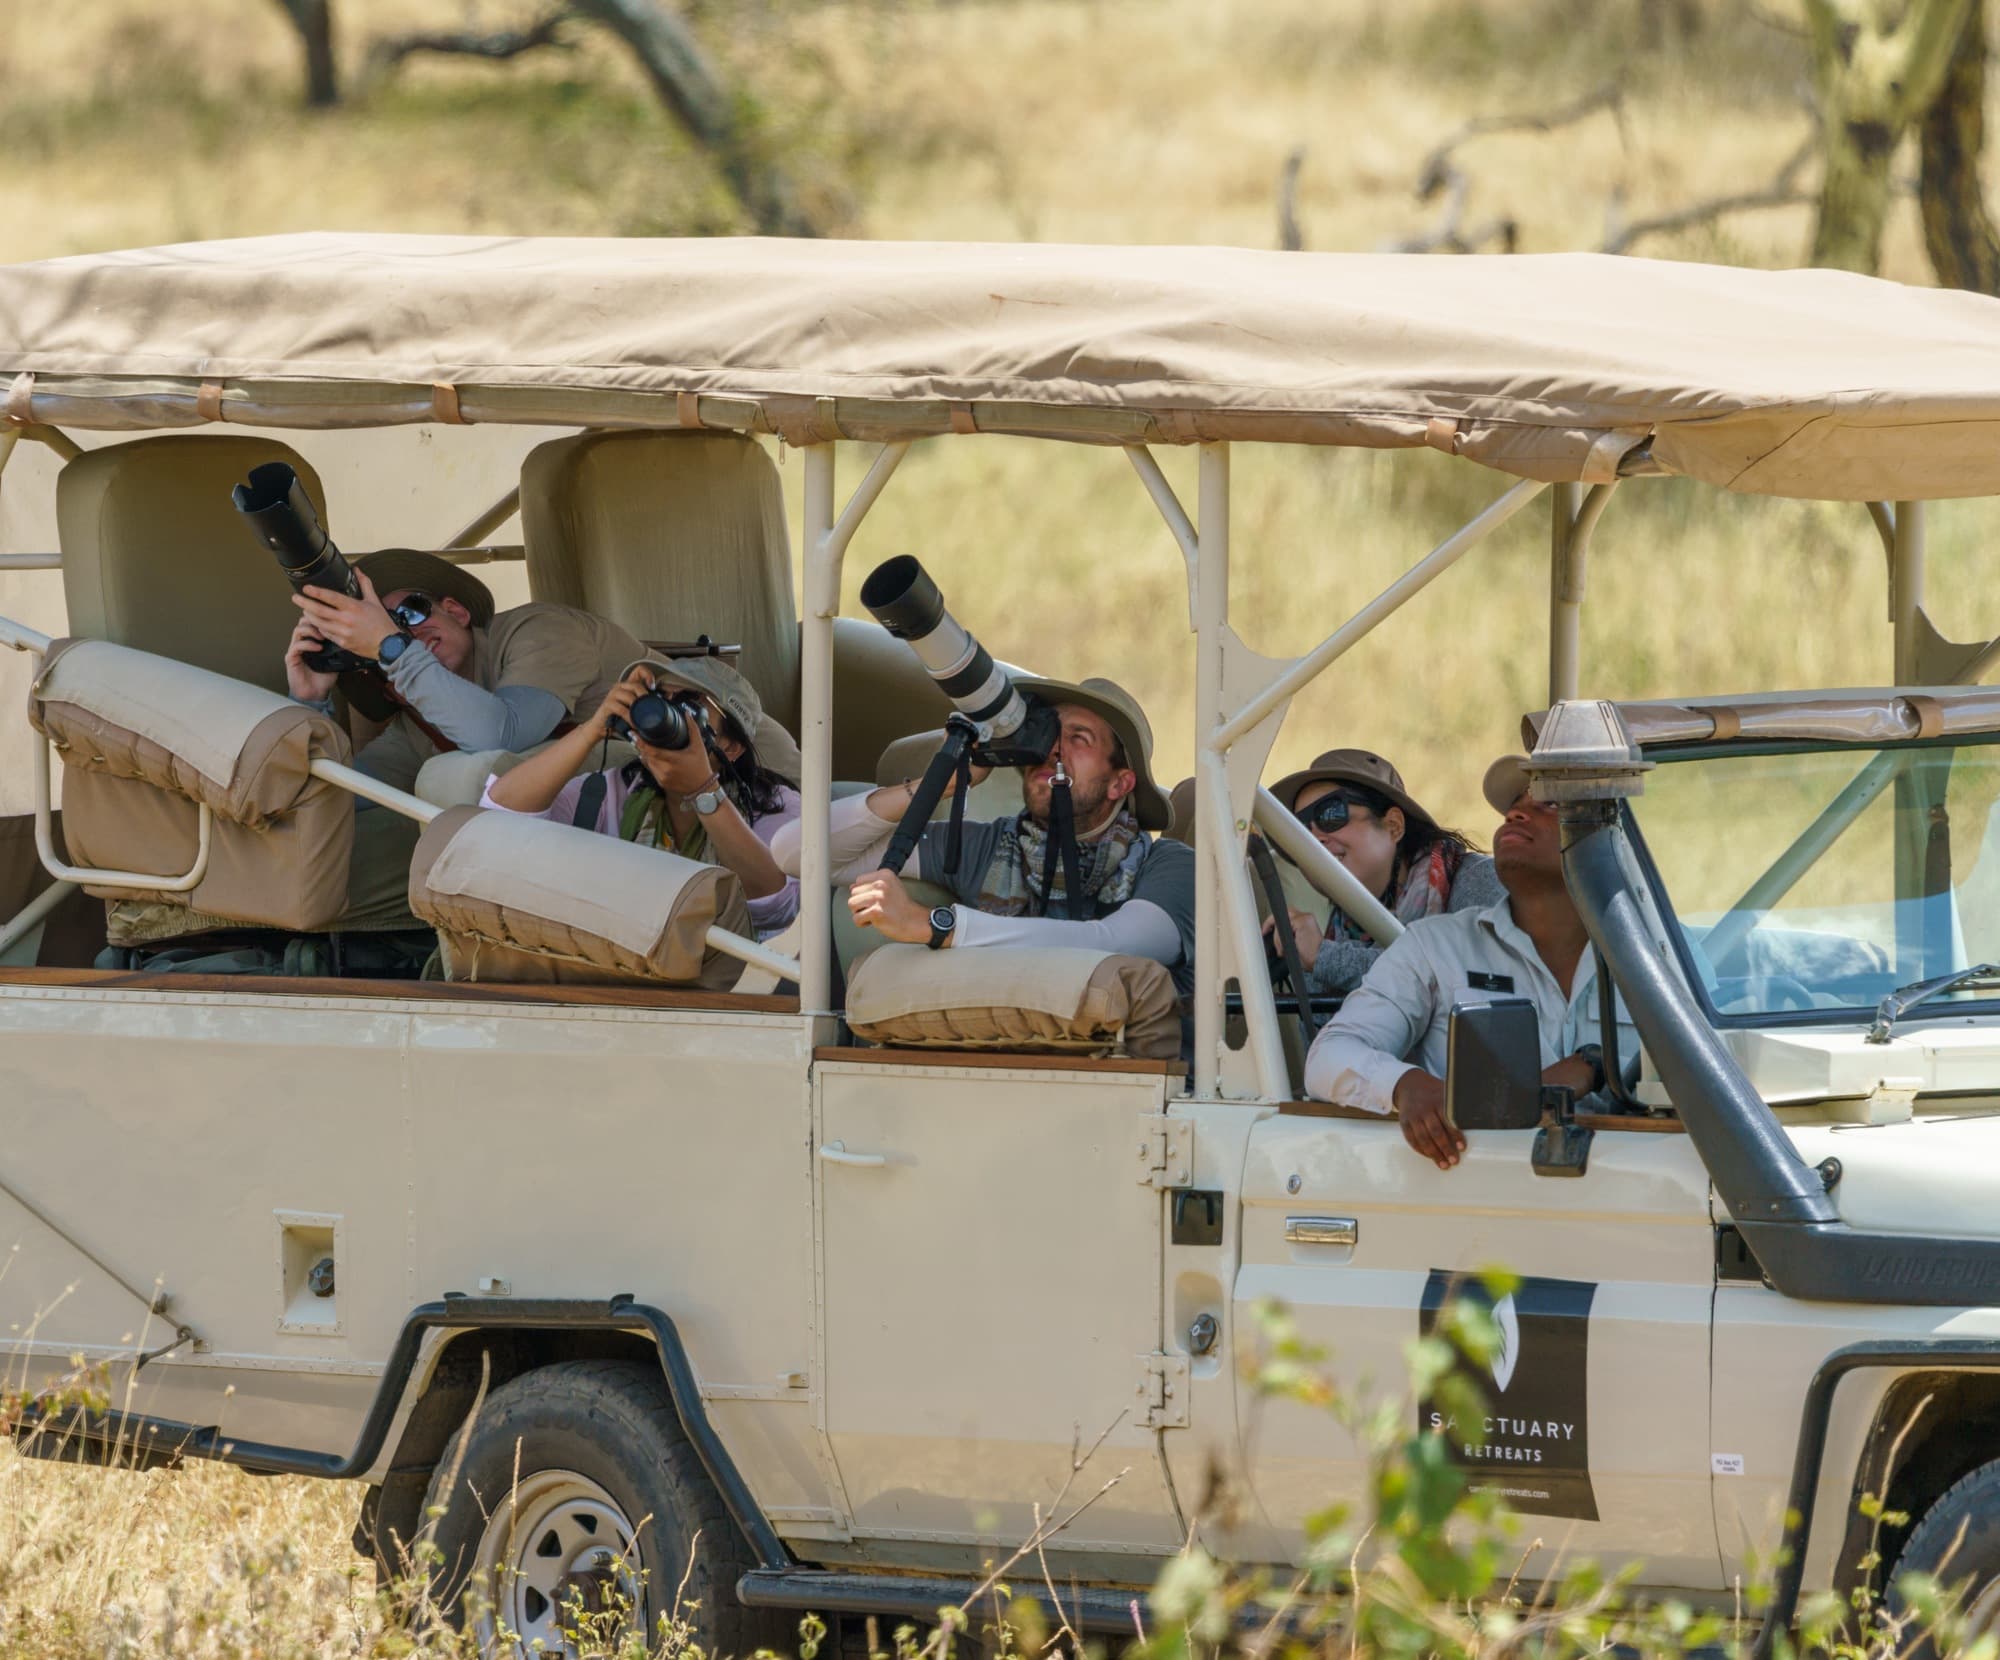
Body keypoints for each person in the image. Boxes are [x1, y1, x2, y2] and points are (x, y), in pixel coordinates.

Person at [1302, 756, 1635, 1171]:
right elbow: (1329, 1055)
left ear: (1610, 838)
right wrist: (1405, 1085)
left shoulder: (1661, 956)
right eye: (1515, 803)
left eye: (1548, 804)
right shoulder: (1434, 946)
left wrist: (1594, 1065)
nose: (1515, 812)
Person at [284, 549, 645, 930]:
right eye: (375, 646)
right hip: (580, 869)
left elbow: (500, 734)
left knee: (457, 775)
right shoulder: (416, 734)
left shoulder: (540, 629)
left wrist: (391, 647)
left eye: (410, 613)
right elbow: (325, 799)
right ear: (391, 689)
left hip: (679, 787)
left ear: (456, 612)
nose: (405, 634)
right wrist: (309, 702)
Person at [769, 677, 1194, 994]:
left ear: (1120, 784)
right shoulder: (994, 848)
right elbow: (794, 850)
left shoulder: (1170, 866)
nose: (1053, 750)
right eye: (1047, 734)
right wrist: (943, 782)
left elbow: (1118, 945)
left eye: (1078, 739)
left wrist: (935, 926)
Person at [482, 656, 801, 939]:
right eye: (659, 698)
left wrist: (703, 790)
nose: (667, 713)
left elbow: (775, 906)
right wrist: (592, 730)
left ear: (730, 748)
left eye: (689, 705)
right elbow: (499, 819)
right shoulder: (609, 791)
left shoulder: (776, 805)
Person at [1266, 749, 1501, 994]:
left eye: (1331, 814)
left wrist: (1324, 958)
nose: (1314, 839)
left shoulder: (1479, 881)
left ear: (1393, 826)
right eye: (1300, 831)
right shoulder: (1334, 937)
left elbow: (1479, 984)